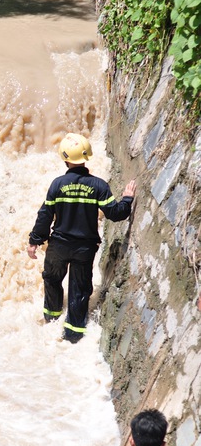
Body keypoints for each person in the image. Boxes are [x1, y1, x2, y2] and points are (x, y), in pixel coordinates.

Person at [27, 133, 137, 343]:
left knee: (52, 280)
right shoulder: (99, 186)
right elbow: (116, 214)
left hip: (58, 246)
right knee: (79, 290)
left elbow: (45, 216)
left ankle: (51, 321)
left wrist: (35, 241)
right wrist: (128, 198)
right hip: (84, 249)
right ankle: (73, 337)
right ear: (86, 157)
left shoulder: (57, 185)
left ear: (65, 158)